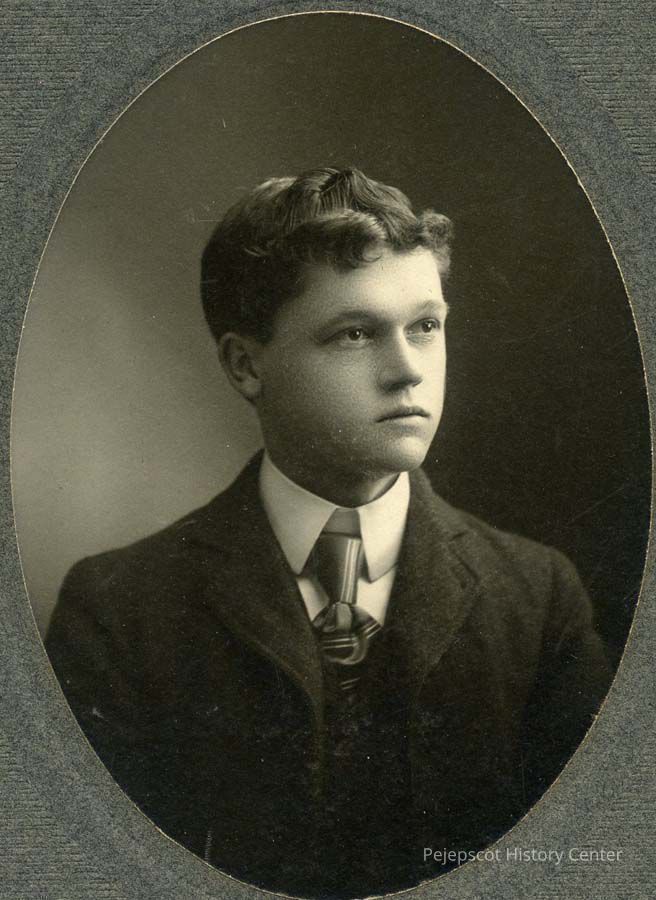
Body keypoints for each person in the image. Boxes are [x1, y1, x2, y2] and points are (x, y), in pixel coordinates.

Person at [46, 167, 611, 898]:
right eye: (355, 334)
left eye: (426, 326)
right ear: (246, 365)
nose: (407, 371)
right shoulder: (118, 610)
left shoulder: (537, 598)